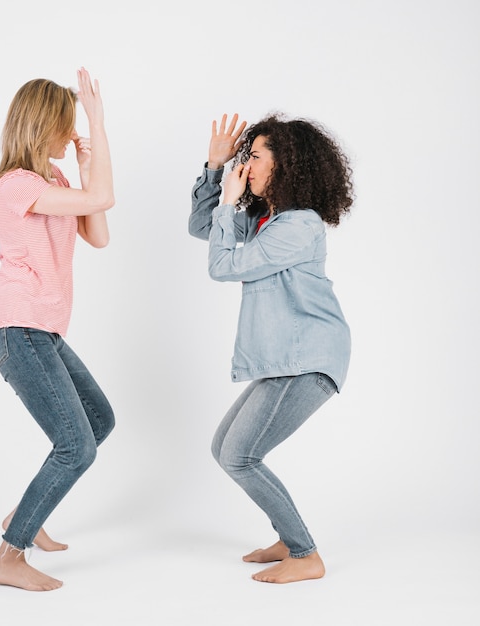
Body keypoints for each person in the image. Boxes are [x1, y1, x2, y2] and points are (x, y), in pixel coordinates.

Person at [189, 112, 354, 584]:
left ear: (287, 165)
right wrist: (215, 170)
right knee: (225, 449)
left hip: (308, 359)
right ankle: (288, 536)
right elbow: (203, 227)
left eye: (256, 156)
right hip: (285, 359)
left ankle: (305, 554)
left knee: (241, 456)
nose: (249, 165)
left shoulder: (298, 226)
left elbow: (221, 267)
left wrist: (230, 202)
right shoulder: (268, 220)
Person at [0, 67, 115, 592]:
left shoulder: (54, 183)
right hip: (17, 325)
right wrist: (100, 128)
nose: (74, 130)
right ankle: (8, 557)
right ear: (44, 123)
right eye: (70, 122)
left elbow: (98, 233)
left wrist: (83, 168)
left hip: (43, 330)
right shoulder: (18, 185)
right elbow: (103, 200)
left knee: (97, 421)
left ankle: (23, 517)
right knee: (76, 446)